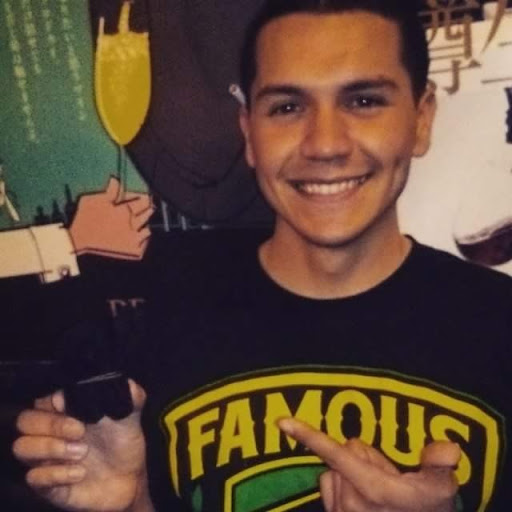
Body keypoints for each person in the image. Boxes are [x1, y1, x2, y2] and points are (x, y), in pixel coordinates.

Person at [12, 0, 511, 511]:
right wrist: (134, 500)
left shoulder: (501, 323)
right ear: (249, 132)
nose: (325, 145)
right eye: (287, 108)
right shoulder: (153, 327)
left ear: (421, 120)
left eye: (364, 101)